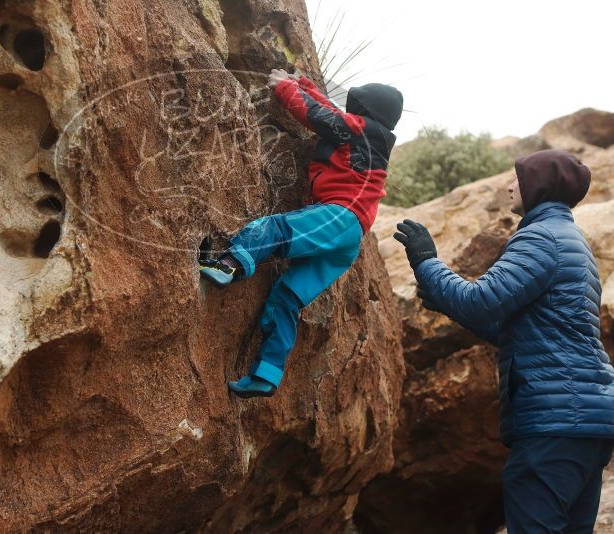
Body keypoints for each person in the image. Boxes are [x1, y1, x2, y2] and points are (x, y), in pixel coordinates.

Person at [394, 149, 614, 533]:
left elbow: (481, 302)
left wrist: (427, 262)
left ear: (541, 186)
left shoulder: (540, 238)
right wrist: (449, 303)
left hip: (552, 422)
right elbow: (522, 331)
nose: (511, 185)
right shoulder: (572, 240)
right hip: (584, 423)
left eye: (519, 178)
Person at [199, 68, 403, 398]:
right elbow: (333, 115)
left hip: (340, 216)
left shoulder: (364, 130)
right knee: (287, 297)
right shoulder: (367, 133)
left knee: (275, 229)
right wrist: (304, 84)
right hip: (346, 239)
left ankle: (226, 266)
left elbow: (319, 116)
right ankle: (266, 374)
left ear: (366, 112)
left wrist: (284, 89)